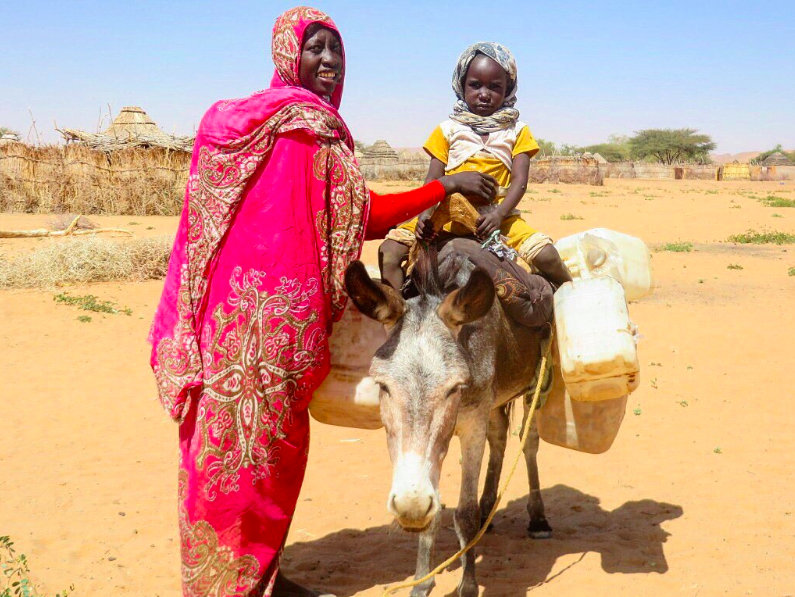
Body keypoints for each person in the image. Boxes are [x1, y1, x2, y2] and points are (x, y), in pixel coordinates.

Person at [148, 7, 495, 597]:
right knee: (263, 468)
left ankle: (243, 579)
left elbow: (195, 234)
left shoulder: (230, 127)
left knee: (220, 461)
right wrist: (445, 187)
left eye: (337, 51)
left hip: (221, 326)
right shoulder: (314, 132)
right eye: (315, 49)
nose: (329, 61)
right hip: (275, 337)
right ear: (288, 54)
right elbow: (365, 217)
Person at [378, 42, 572, 291]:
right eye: (475, 85)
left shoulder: (517, 130)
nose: (484, 93)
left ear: (508, 89)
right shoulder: (447, 130)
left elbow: (519, 182)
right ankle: (398, 317)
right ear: (461, 84)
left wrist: (499, 215)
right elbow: (432, 180)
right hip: (443, 214)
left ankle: (573, 299)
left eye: (495, 87)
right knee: (390, 252)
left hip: (496, 216)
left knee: (547, 257)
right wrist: (425, 217)